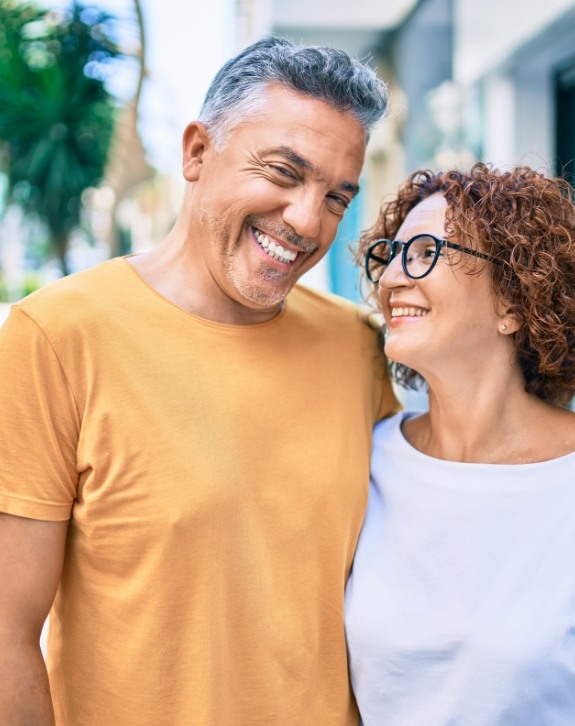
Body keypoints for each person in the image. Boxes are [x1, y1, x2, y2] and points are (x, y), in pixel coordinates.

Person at [0, 36, 399, 726]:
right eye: (282, 172)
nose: (307, 221)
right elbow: (7, 634)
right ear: (195, 152)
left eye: (336, 197)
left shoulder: (356, 346)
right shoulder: (56, 337)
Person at [345, 162, 575, 725]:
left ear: (513, 303)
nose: (393, 278)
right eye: (390, 255)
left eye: (425, 252)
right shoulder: (364, 460)